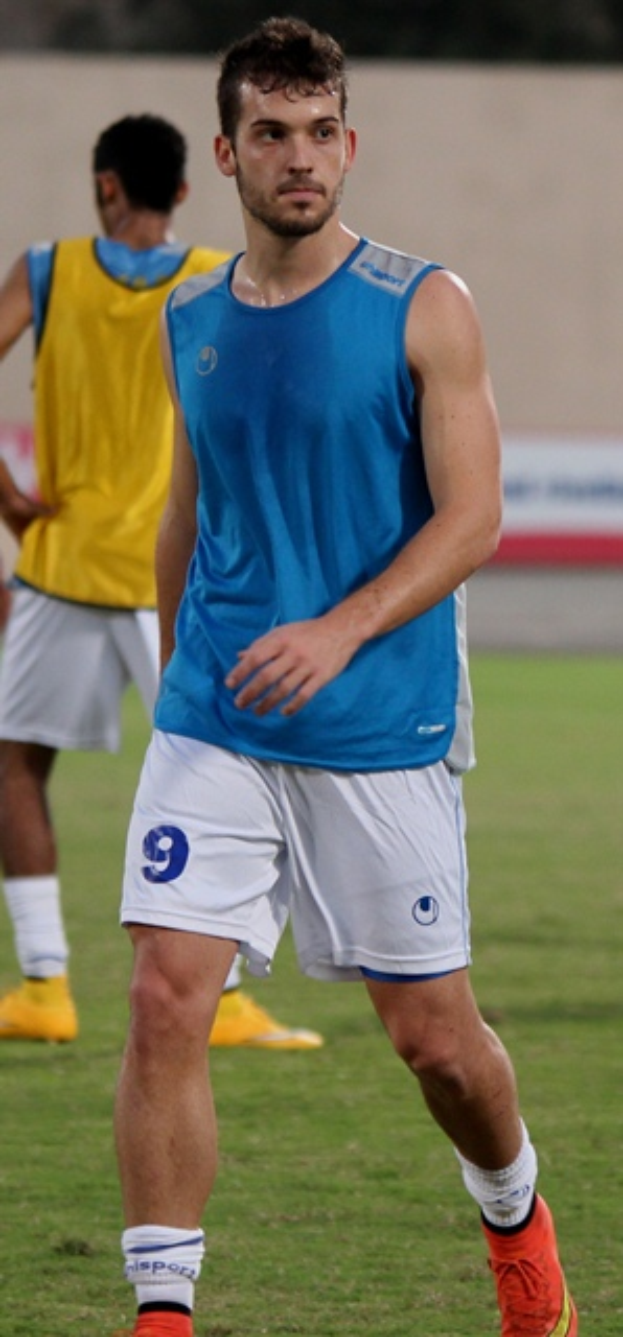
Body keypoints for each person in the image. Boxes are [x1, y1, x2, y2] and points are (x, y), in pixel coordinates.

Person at [112, 20, 577, 1337]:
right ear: (225, 153)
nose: (299, 157)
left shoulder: (423, 304)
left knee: (433, 1041)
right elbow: (182, 519)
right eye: (271, 132)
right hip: (215, 715)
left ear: (348, 144)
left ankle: (511, 1210)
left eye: (320, 132)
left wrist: (337, 628)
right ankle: (160, 1313)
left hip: (378, 723)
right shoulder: (188, 316)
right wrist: (172, 684)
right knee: (162, 995)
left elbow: (472, 517)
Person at [0, 112, 322, 1051]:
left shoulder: (48, 272)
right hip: (184, 575)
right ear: (186, 189)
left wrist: (6, 495)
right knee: (238, 767)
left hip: (63, 560)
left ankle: (45, 985)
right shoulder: (218, 282)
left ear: (106, 186)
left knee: (17, 765)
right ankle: (225, 1001)